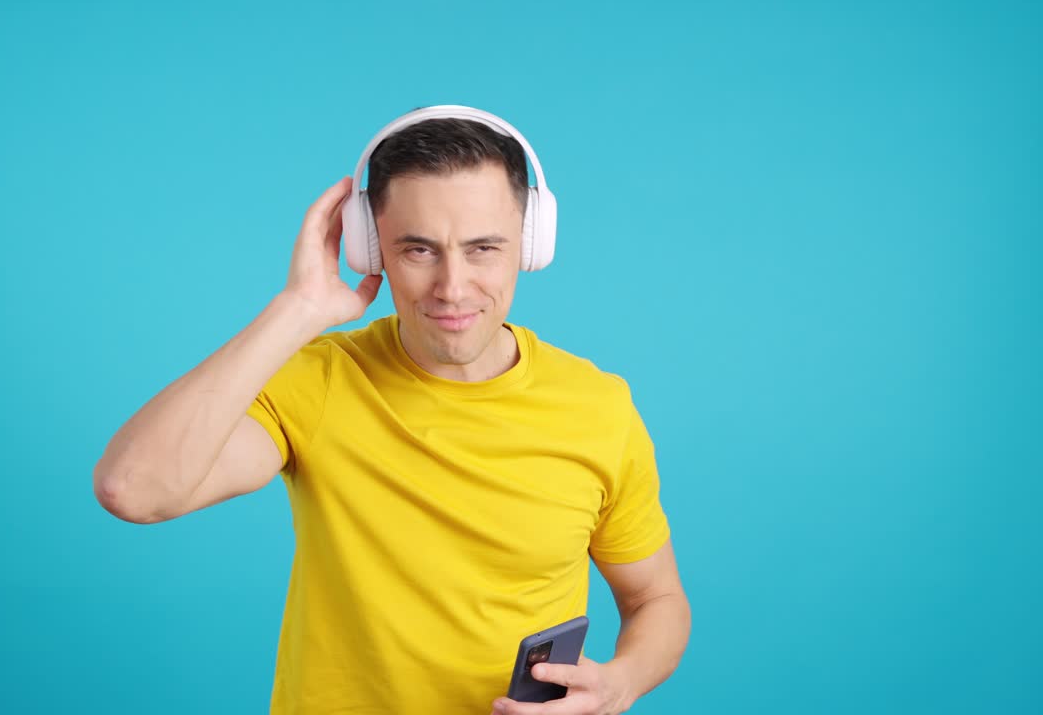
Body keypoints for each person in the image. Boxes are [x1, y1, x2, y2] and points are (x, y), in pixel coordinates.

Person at [93, 108, 691, 714]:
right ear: (370, 247)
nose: (452, 287)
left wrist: (620, 684)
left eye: (483, 247)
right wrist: (298, 308)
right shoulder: (322, 381)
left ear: (530, 245)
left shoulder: (598, 407)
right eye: (418, 249)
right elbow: (133, 489)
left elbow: (656, 600)